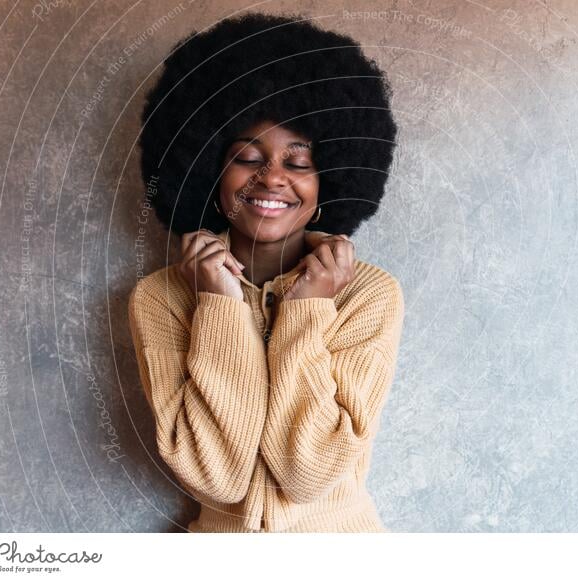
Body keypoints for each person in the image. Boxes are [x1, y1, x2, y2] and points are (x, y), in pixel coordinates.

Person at [128, 12, 404, 532]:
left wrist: (306, 308)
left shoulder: (369, 296)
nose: (272, 177)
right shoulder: (161, 297)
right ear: (209, 174)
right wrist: (219, 304)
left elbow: (309, 473)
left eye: (298, 164)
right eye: (247, 157)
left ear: (330, 181)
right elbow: (219, 478)